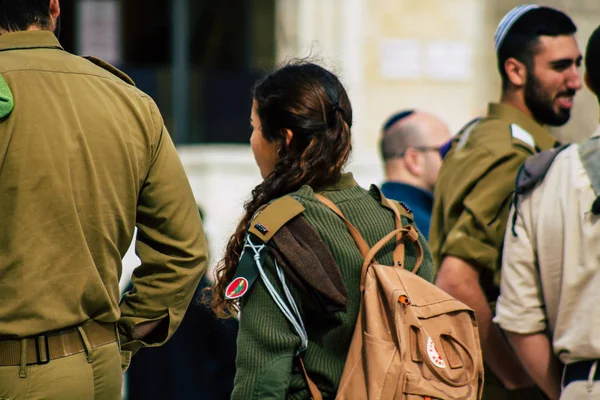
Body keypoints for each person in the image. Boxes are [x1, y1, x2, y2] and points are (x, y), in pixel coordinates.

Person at [0, 1, 208, 399]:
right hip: (99, 367)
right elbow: (183, 252)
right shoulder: (128, 99)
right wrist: (119, 336)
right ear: (54, 8)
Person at [208, 61, 434, 399]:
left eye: (254, 127)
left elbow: (262, 377)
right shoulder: (400, 222)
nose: (252, 139)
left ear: (283, 139)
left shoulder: (280, 229)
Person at [429, 5, 582, 399]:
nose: (575, 81)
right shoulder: (515, 155)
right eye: (560, 67)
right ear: (515, 72)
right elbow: (456, 279)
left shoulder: (481, 135)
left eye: (578, 64)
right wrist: (522, 380)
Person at [494, 25, 600, 400]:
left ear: (588, 79)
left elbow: (518, 318)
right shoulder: (510, 155)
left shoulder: (545, 176)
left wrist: (571, 391)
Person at [379, 110, 451, 239]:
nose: (453, 159)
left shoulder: (367, 212)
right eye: (447, 150)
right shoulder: (420, 228)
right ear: (414, 160)